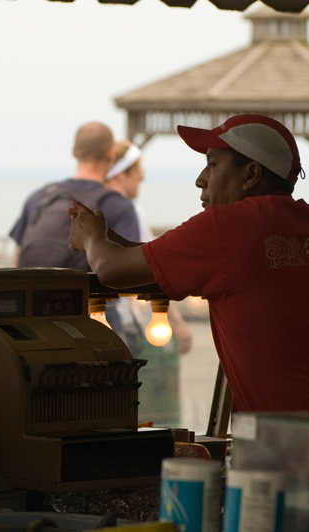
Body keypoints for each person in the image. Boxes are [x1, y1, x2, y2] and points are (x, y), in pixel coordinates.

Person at [68, 114, 309, 415]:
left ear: (251, 175)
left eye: (213, 164)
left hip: (302, 436)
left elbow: (111, 271)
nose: (201, 179)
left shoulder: (228, 226)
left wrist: (89, 238)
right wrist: (106, 235)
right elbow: (155, 256)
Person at [104, 139, 192, 426]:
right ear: (120, 173)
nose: (142, 177)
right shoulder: (129, 211)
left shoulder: (92, 208)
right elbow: (151, 269)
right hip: (120, 323)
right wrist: (175, 322)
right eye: (136, 170)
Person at [9, 121, 140, 273]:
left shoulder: (38, 197)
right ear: (111, 155)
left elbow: (16, 262)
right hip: (81, 296)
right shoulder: (119, 206)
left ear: (73, 152)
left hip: (30, 294)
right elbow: (128, 272)